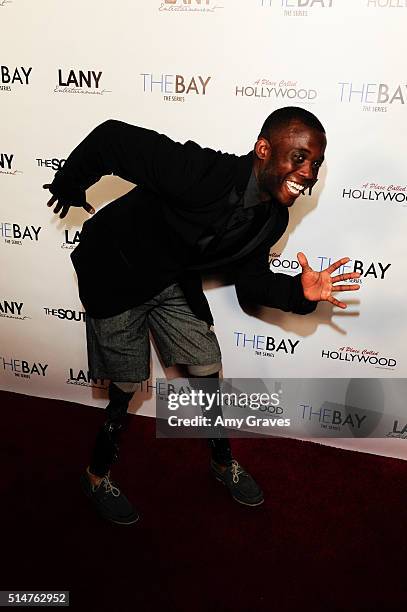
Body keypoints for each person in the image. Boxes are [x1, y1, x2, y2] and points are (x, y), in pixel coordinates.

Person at [44, 106, 360, 525]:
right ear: (263, 149)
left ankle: (221, 461)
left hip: (170, 279)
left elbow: (251, 286)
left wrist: (300, 295)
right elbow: (111, 137)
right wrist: (69, 182)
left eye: (316, 164)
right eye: (299, 158)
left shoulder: (272, 218)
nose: (309, 173)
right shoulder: (201, 171)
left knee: (207, 362)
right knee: (124, 385)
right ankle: (96, 476)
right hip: (115, 271)